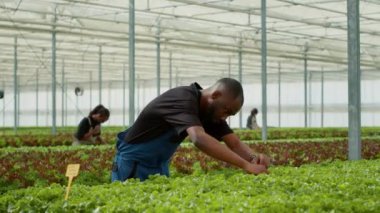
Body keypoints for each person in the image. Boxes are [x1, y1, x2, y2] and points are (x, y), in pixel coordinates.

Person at [111, 78, 270, 182]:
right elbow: (198, 139)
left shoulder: (211, 113)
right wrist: (245, 165)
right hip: (133, 163)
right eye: (226, 111)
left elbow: (234, 143)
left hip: (159, 165)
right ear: (215, 95)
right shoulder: (183, 98)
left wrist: (253, 157)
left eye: (231, 114)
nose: (225, 117)